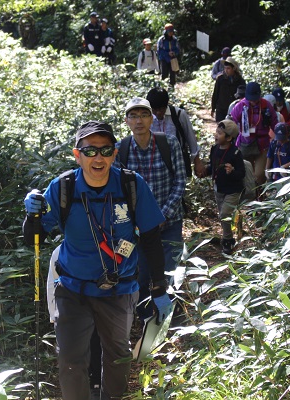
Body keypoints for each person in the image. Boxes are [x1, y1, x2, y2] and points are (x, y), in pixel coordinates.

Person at [23, 121, 172, 400]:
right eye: (89, 151)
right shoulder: (63, 188)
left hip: (119, 289)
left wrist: (158, 288)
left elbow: (151, 239)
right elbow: (35, 237)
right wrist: (31, 214)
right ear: (77, 155)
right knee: (70, 359)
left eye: (105, 150)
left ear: (115, 153)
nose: (98, 158)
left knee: (118, 357)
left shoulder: (131, 185)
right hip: (72, 288)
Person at [113, 98, 187, 321]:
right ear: (126, 121)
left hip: (170, 222)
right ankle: (147, 319)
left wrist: (161, 215)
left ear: (151, 118)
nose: (139, 121)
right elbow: (117, 192)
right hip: (138, 228)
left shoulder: (169, 144)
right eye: (133, 116)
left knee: (170, 271)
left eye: (143, 115)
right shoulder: (120, 150)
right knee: (142, 272)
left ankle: (174, 319)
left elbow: (180, 182)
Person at [201, 120, 245, 254]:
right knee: (223, 215)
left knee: (224, 214)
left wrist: (232, 171)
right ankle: (233, 233)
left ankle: (227, 241)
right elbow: (213, 166)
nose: (216, 135)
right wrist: (204, 171)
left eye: (220, 133)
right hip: (219, 189)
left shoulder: (235, 153)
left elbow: (241, 173)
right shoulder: (214, 149)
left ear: (229, 138)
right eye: (216, 132)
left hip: (233, 190)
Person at [146, 87, 205, 178]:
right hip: (155, 162)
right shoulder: (146, 118)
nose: (157, 113)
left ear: (166, 106)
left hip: (177, 160)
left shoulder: (179, 114)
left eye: (161, 109)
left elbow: (190, 138)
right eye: (154, 110)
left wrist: (197, 162)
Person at [230, 81, 278, 185]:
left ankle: (260, 196)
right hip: (245, 143)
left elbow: (274, 122)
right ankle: (249, 196)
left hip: (262, 144)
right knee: (247, 173)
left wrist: (280, 136)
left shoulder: (266, 105)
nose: (252, 101)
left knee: (259, 174)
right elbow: (231, 122)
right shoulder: (240, 106)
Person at [211, 57, 246, 122]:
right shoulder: (220, 79)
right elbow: (215, 93)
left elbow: (243, 96)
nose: (226, 70)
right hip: (221, 108)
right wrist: (213, 109)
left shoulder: (240, 80)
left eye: (228, 68)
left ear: (233, 69)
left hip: (234, 109)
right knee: (221, 128)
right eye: (225, 68)